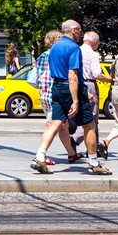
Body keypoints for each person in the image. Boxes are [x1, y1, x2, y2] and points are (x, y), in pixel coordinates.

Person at [29, 19, 111, 175]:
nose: (80, 33)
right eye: (79, 31)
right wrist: (75, 100)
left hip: (57, 87)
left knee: (55, 123)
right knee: (88, 125)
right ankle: (94, 163)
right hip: (71, 87)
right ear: (73, 31)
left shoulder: (54, 48)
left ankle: (39, 157)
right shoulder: (74, 48)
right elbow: (73, 75)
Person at [33, 30, 82, 165]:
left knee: (62, 125)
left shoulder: (41, 56)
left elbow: (33, 79)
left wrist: (41, 86)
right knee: (52, 125)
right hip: (55, 93)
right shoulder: (57, 55)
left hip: (45, 94)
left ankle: (71, 154)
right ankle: (41, 155)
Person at [74, 31, 112, 147]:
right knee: (92, 118)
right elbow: (97, 74)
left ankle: (93, 147)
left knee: (85, 115)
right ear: (95, 42)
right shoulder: (92, 54)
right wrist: (111, 80)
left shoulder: (76, 50)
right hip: (89, 84)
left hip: (77, 83)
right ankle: (76, 140)